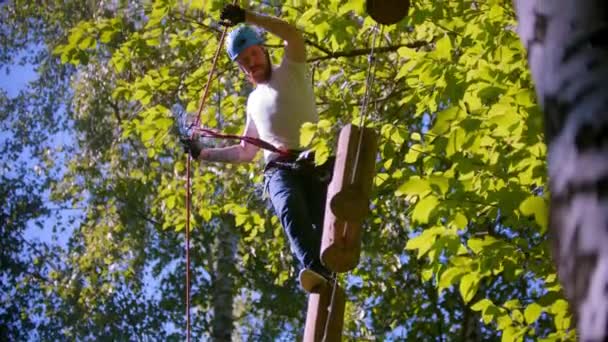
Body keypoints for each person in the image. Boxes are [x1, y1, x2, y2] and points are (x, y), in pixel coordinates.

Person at [182, 4, 333, 289]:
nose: (251, 62)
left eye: (253, 53)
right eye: (243, 61)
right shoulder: (252, 102)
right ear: (240, 69)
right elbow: (245, 151)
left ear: (264, 50)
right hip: (279, 168)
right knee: (289, 207)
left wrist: (248, 17)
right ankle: (317, 271)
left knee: (325, 219)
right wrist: (203, 153)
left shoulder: (292, 67)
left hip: (315, 160)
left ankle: (332, 264)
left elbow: (291, 34)